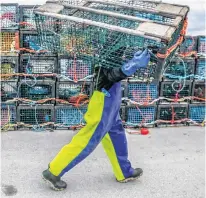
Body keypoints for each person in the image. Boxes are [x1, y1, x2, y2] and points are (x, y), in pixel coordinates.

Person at [42, 49, 150, 191]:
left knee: (115, 134)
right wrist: (133, 65)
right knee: (88, 140)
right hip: (103, 102)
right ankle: (54, 171)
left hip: (111, 101)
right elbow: (111, 75)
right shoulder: (108, 45)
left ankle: (124, 171)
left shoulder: (117, 45)